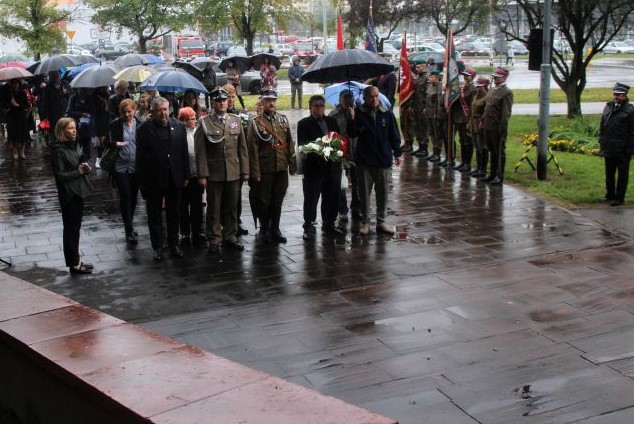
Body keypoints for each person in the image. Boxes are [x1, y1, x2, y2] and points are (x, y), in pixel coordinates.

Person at [135, 97, 190, 261]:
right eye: (159, 110)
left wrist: (186, 175)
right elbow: (140, 158)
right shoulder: (144, 129)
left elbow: (184, 153)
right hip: (153, 179)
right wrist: (142, 183)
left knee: (174, 213)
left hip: (174, 178)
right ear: (153, 111)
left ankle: (174, 244)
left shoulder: (179, 127)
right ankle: (157, 247)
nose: (163, 113)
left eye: (165, 109)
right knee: (154, 215)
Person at [195, 88, 249, 253]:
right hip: (214, 173)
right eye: (218, 101)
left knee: (232, 207)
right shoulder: (205, 122)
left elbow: (242, 148)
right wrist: (202, 174)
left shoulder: (236, 120)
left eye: (224, 100)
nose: (222, 103)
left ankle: (230, 236)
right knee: (214, 208)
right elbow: (200, 151)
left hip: (233, 171)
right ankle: (214, 239)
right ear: (213, 103)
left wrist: (245, 171)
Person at [350, 86, 402, 235]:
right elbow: (353, 133)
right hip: (365, 160)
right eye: (371, 97)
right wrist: (352, 118)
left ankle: (381, 221)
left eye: (376, 96)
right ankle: (365, 222)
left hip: (383, 159)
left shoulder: (386, 112)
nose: (374, 99)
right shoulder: (359, 113)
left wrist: (397, 152)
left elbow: (394, 133)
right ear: (365, 98)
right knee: (364, 193)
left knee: (383, 192)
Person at [246, 89, 296, 243]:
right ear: (262, 102)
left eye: (273, 100)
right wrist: (255, 172)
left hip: (281, 167)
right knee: (263, 200)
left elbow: (289, 143)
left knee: (277, 199)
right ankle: (265, 229)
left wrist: (292, 164)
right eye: (268, 100)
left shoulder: (282, 119)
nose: (271, 103)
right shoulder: (255, 122)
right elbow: (252, 149)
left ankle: (276, 228)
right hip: (265, 167)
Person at [297, 95, 344, 240]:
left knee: (331, 197)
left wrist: (334, 150)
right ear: (310, 107)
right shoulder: (303, 123)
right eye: (316, 106)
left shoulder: (332, 121)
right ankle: (309, 226)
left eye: (322, 106)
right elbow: (305, 145)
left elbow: (338, 140)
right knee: (311, 198)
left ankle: (329, 223)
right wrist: (323, 151)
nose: (319, 108)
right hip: (314, 168)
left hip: (332, 167)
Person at [51, 117, 94, 274]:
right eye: (70, 128)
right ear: (62, 131)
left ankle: (76, 260)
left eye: (75, 127)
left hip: (78, 191)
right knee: (71, 229)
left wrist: (84, 165)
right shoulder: (58, 150)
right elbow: (60, 176)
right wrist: (79, 171)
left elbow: (78, 160)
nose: (74, 130)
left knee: (75, 228)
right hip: (69, 194)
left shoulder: (73, 145)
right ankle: (74, 264)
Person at [107, 99, 141, 244]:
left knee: (133, 198)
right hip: (120, 166)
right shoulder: (115, 124)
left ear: (134, 110)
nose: (127, 114)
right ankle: (128, 230)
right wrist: (116, 144)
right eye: (124, 112)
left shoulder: (140, 124)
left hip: (135, 167)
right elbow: (105, 142)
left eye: (130, 111)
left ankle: (130, 224)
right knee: (125, 196)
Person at [598, 82, 634, 206]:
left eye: (619, 94)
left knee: (622, 175)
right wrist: (602, 141)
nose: (616, 96)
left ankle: (619, 198)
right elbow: (602, 126)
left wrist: (630, 148)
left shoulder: (629, 110)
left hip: (622, 148)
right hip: (609, 147)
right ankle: (610, 195)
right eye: (615, 94)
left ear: (625, 95)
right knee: (609, 174)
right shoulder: (608, 107)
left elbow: (633, 131)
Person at [329, 90, 361, 223]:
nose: (348, 101)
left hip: (356, 151)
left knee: (357, 182)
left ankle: (357, 208)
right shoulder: (333, 115)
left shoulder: (358, 113)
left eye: (350, 98)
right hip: (340, 153)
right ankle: (343, 210)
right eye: (345, 98)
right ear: (340, 99)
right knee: (341, 184)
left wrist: (353, 117)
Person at [178, 106, 206, 246]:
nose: (195, 120)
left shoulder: (198, 132)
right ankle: (184, 232)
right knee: (183, 206)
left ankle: (197, 230)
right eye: (192, 118)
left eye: (195, 118)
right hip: (185, 177)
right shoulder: (180, 134)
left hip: (197, 175)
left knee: (197, 205)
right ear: (184, 120)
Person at [482, 67, 513, 185]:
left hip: (497, 126)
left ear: (504, 78)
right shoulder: (492, 90)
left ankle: (499, 176)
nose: (494, 79)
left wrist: (502, 128)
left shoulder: (506, 92)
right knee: (492, 151)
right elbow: (487, 107)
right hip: (488, 125)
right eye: (494, 77)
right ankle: (492, 173)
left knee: (499, 151)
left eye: (497, 77)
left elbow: (506, 113)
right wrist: (482, 120)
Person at [451, 68, 477, 172]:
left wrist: (469, 120)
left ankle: (467, 163)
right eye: (464, 75)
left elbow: (472, 106)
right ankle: (463, 162)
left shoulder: (473, 89)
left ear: (472, 76)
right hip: (459, 118)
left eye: (468, 75)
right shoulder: (463, 87)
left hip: (466, 118)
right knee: (462, 141)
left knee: (467, 141)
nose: (465, 77)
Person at [468, 77, 491, 178]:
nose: (477, 88)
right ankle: (478, 168)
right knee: (477, 147)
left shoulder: (487, 97)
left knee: (483, 147)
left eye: (479, 86)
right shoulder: (476, 96)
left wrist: (482, 121)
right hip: (473, 123)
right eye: (477, 86)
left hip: (481, 124)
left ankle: (483, 169)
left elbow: (486, 112)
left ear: (485, 86)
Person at [66, 87, 95, 160]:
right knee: (77, 143)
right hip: (77, 125)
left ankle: (86, 162)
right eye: (81, 90)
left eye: (85, 90)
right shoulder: (73, 98)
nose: (83, 91)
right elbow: (69, 111)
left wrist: (89, 115)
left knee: (87, 145)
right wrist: (81, 114)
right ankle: (77, 160)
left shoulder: (90, 98)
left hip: (87, 125)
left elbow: (93, 110)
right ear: (78, 90)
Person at [5, 79, 30, 160]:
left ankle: (22, 152)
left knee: (23, 134)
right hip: (11, 116)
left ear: (19, 84)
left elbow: (26, 105)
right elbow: (3, 105)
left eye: (17, 83)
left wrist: (17, 105)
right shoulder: (8, 94)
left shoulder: (22, 93)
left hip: (21, 116)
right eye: (13, 83)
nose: (15, 85)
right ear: (11, 84)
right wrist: (10, 104)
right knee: (12, 134)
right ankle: (15, 151)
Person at [411, 63, 429, 157]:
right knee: (417, 127)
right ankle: (420, 147)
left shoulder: (427, 79)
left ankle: (425, 149)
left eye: (419, 67)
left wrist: (426, 107)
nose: (417, 69)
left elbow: (428, 94)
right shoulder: (417, 78)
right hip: (416, 106)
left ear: (424, 67)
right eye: (416, 67)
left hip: (423, 107)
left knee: (423, 128)